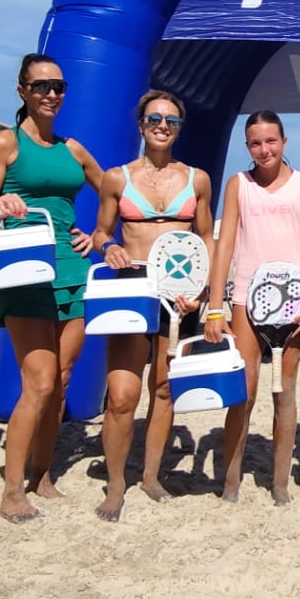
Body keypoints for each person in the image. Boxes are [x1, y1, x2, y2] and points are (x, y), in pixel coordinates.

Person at [0, 53, 104, 523]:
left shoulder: (73, 149)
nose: (51, 94)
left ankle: (42, 475)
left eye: (58, 87)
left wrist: (99, 233)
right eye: (41, 86)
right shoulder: (4, 144)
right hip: (24, 272)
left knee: (63, 380)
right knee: (40, 382)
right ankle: (12, 490)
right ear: (22, 91)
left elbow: (111, 189)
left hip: (72, 270)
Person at [88, 90, 215, 522]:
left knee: (163, 388)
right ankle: (115, 484)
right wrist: (109, 248)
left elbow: (206, 237)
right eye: (155, 119)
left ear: (180, 128)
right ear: (141, 124)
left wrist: (205, 290)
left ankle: (151, 475)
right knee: (122, 395)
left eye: (171, 121)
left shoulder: (197, 179)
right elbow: (101, 231)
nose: (163, 126)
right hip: (133, 288)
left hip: (179, 294)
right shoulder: (116, 178)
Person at [205, 110, 300, 505]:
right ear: (247, 147)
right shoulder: (239, 184)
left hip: (293, 300)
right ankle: (231, 480)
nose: (264, 149)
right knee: (245, 389)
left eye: (271, 141)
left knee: (284, 391)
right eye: (255, 143)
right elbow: (224, 244)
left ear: (284, 141)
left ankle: (280, 482)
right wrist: (215, 306)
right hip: (244, 297)